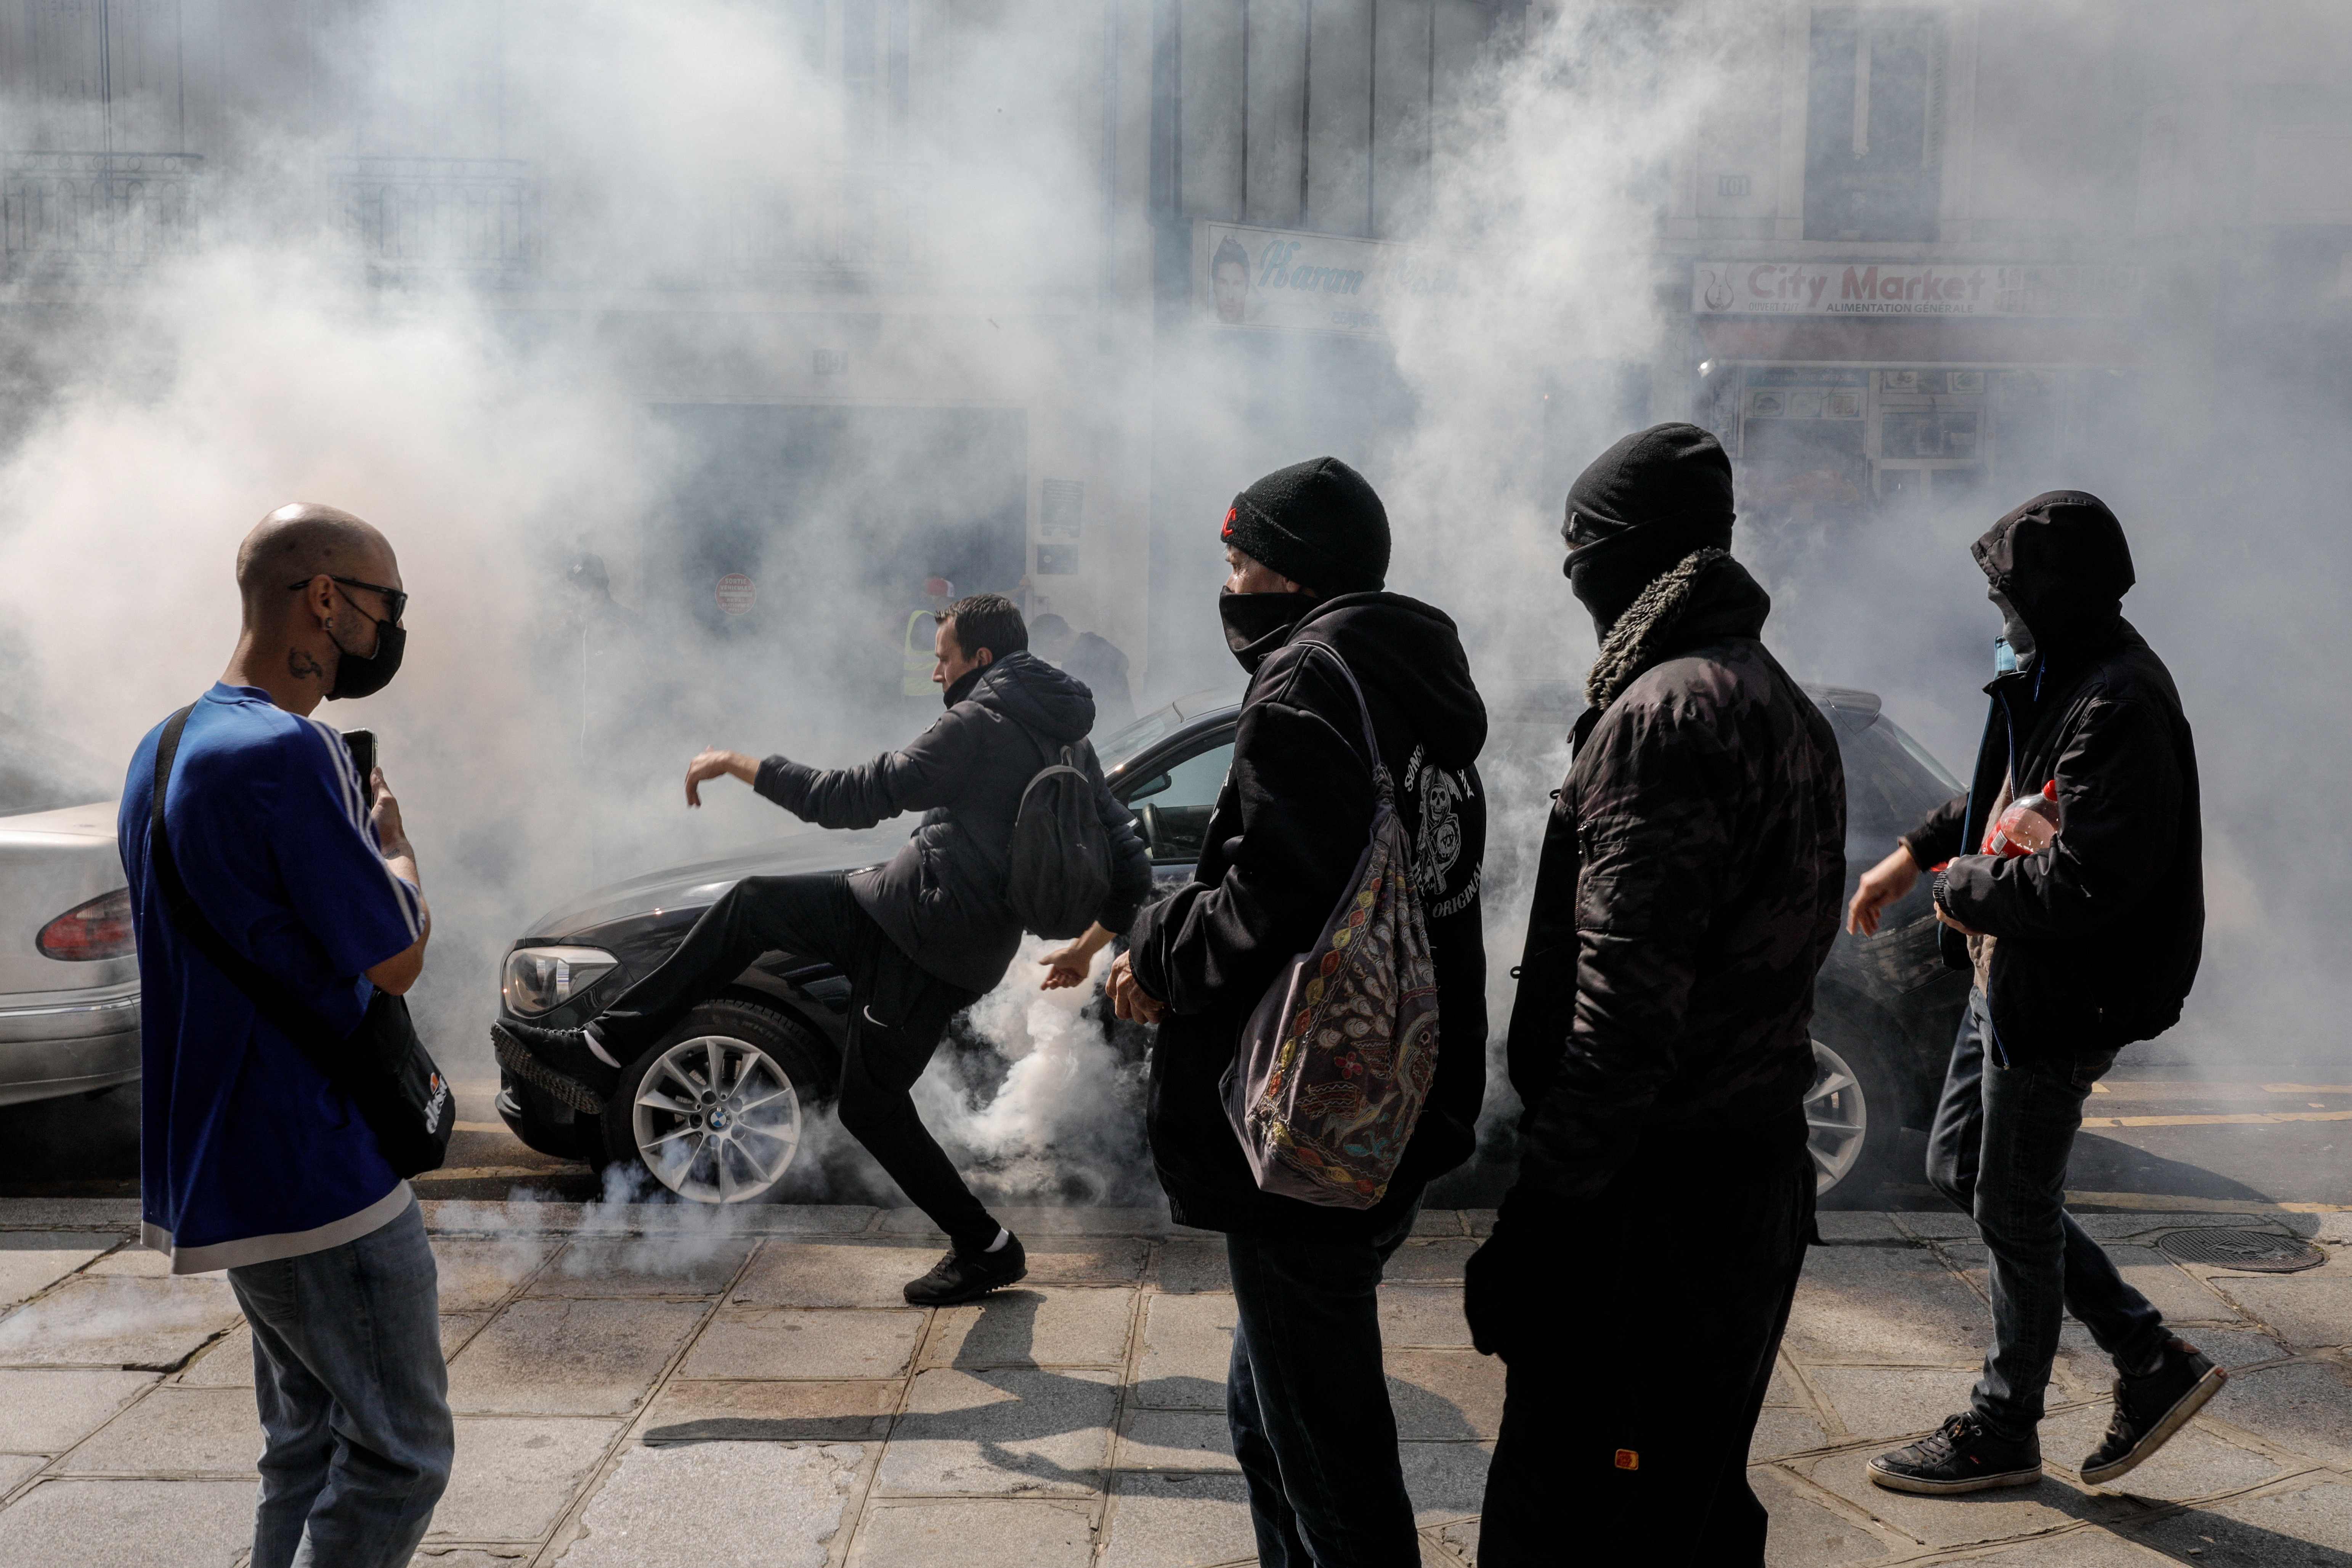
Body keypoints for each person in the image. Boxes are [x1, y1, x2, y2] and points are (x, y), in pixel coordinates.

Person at [497, 593, 1152, 1305]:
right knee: (754, 905)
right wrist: (1087, 948)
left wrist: (739, 764)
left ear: (982, 660)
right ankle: (602, 1048)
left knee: (871, 1108)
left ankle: (986, 1246)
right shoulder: (1068, 740)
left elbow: (849, 799)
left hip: (921, 950)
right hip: (898, 912)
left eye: (943, 658)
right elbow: (1130, 864)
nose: (936, 672)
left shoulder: (977, 724)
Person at [1465, 424, 1845, 1566]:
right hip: (1745, 1184)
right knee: (1690, 1501)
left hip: (1653, 1214)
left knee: (1575, 1517)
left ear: (1623, 559)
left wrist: (1540, 1215)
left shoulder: (1663, 718)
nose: (1566, 572)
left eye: (1578, 546)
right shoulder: (1780, 702)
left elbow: (1622, 1011)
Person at [1105, 456, 1489, 1568]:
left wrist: (1149, 954)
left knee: (1328, 1456)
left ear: (1290, 571)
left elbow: (1267, 901)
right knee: (1266, 1417)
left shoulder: (1307, 682)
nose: (1225, 584)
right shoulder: (1408, 684)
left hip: (1304, 1131)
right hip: (1398, 1103)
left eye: (1237, 561)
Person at [1848, 491, 2216, 1494]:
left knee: (2010, 1199)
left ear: (2053, 594)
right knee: (1967, 1166)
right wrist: (1911, 859)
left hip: (2066, 991)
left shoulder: (2119, 701)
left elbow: (2084, 878)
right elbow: (2006, 797)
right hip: (2008, 977)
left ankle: (2005, 1423)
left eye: (2006, 591)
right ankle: (2149, 1356)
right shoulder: (2058, 674)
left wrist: (1960, 887)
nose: (1997, 611)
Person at [118, 503, 450, 1566]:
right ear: (323, 599)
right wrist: (395, 852)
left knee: (304, 1447)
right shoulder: (286, 750)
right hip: (316, 1167)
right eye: (384, 604)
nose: (388, 629)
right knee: (401, 1455)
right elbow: (395, 955)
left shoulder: (164, 743)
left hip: (224, 1169)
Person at [1030, 613, 1135, 730]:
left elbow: (1100, 708)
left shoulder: (1096, 656)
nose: (1048, 658)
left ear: (1057, 642)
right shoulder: (1076, 657)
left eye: (1045, 652)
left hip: (1116, 735)